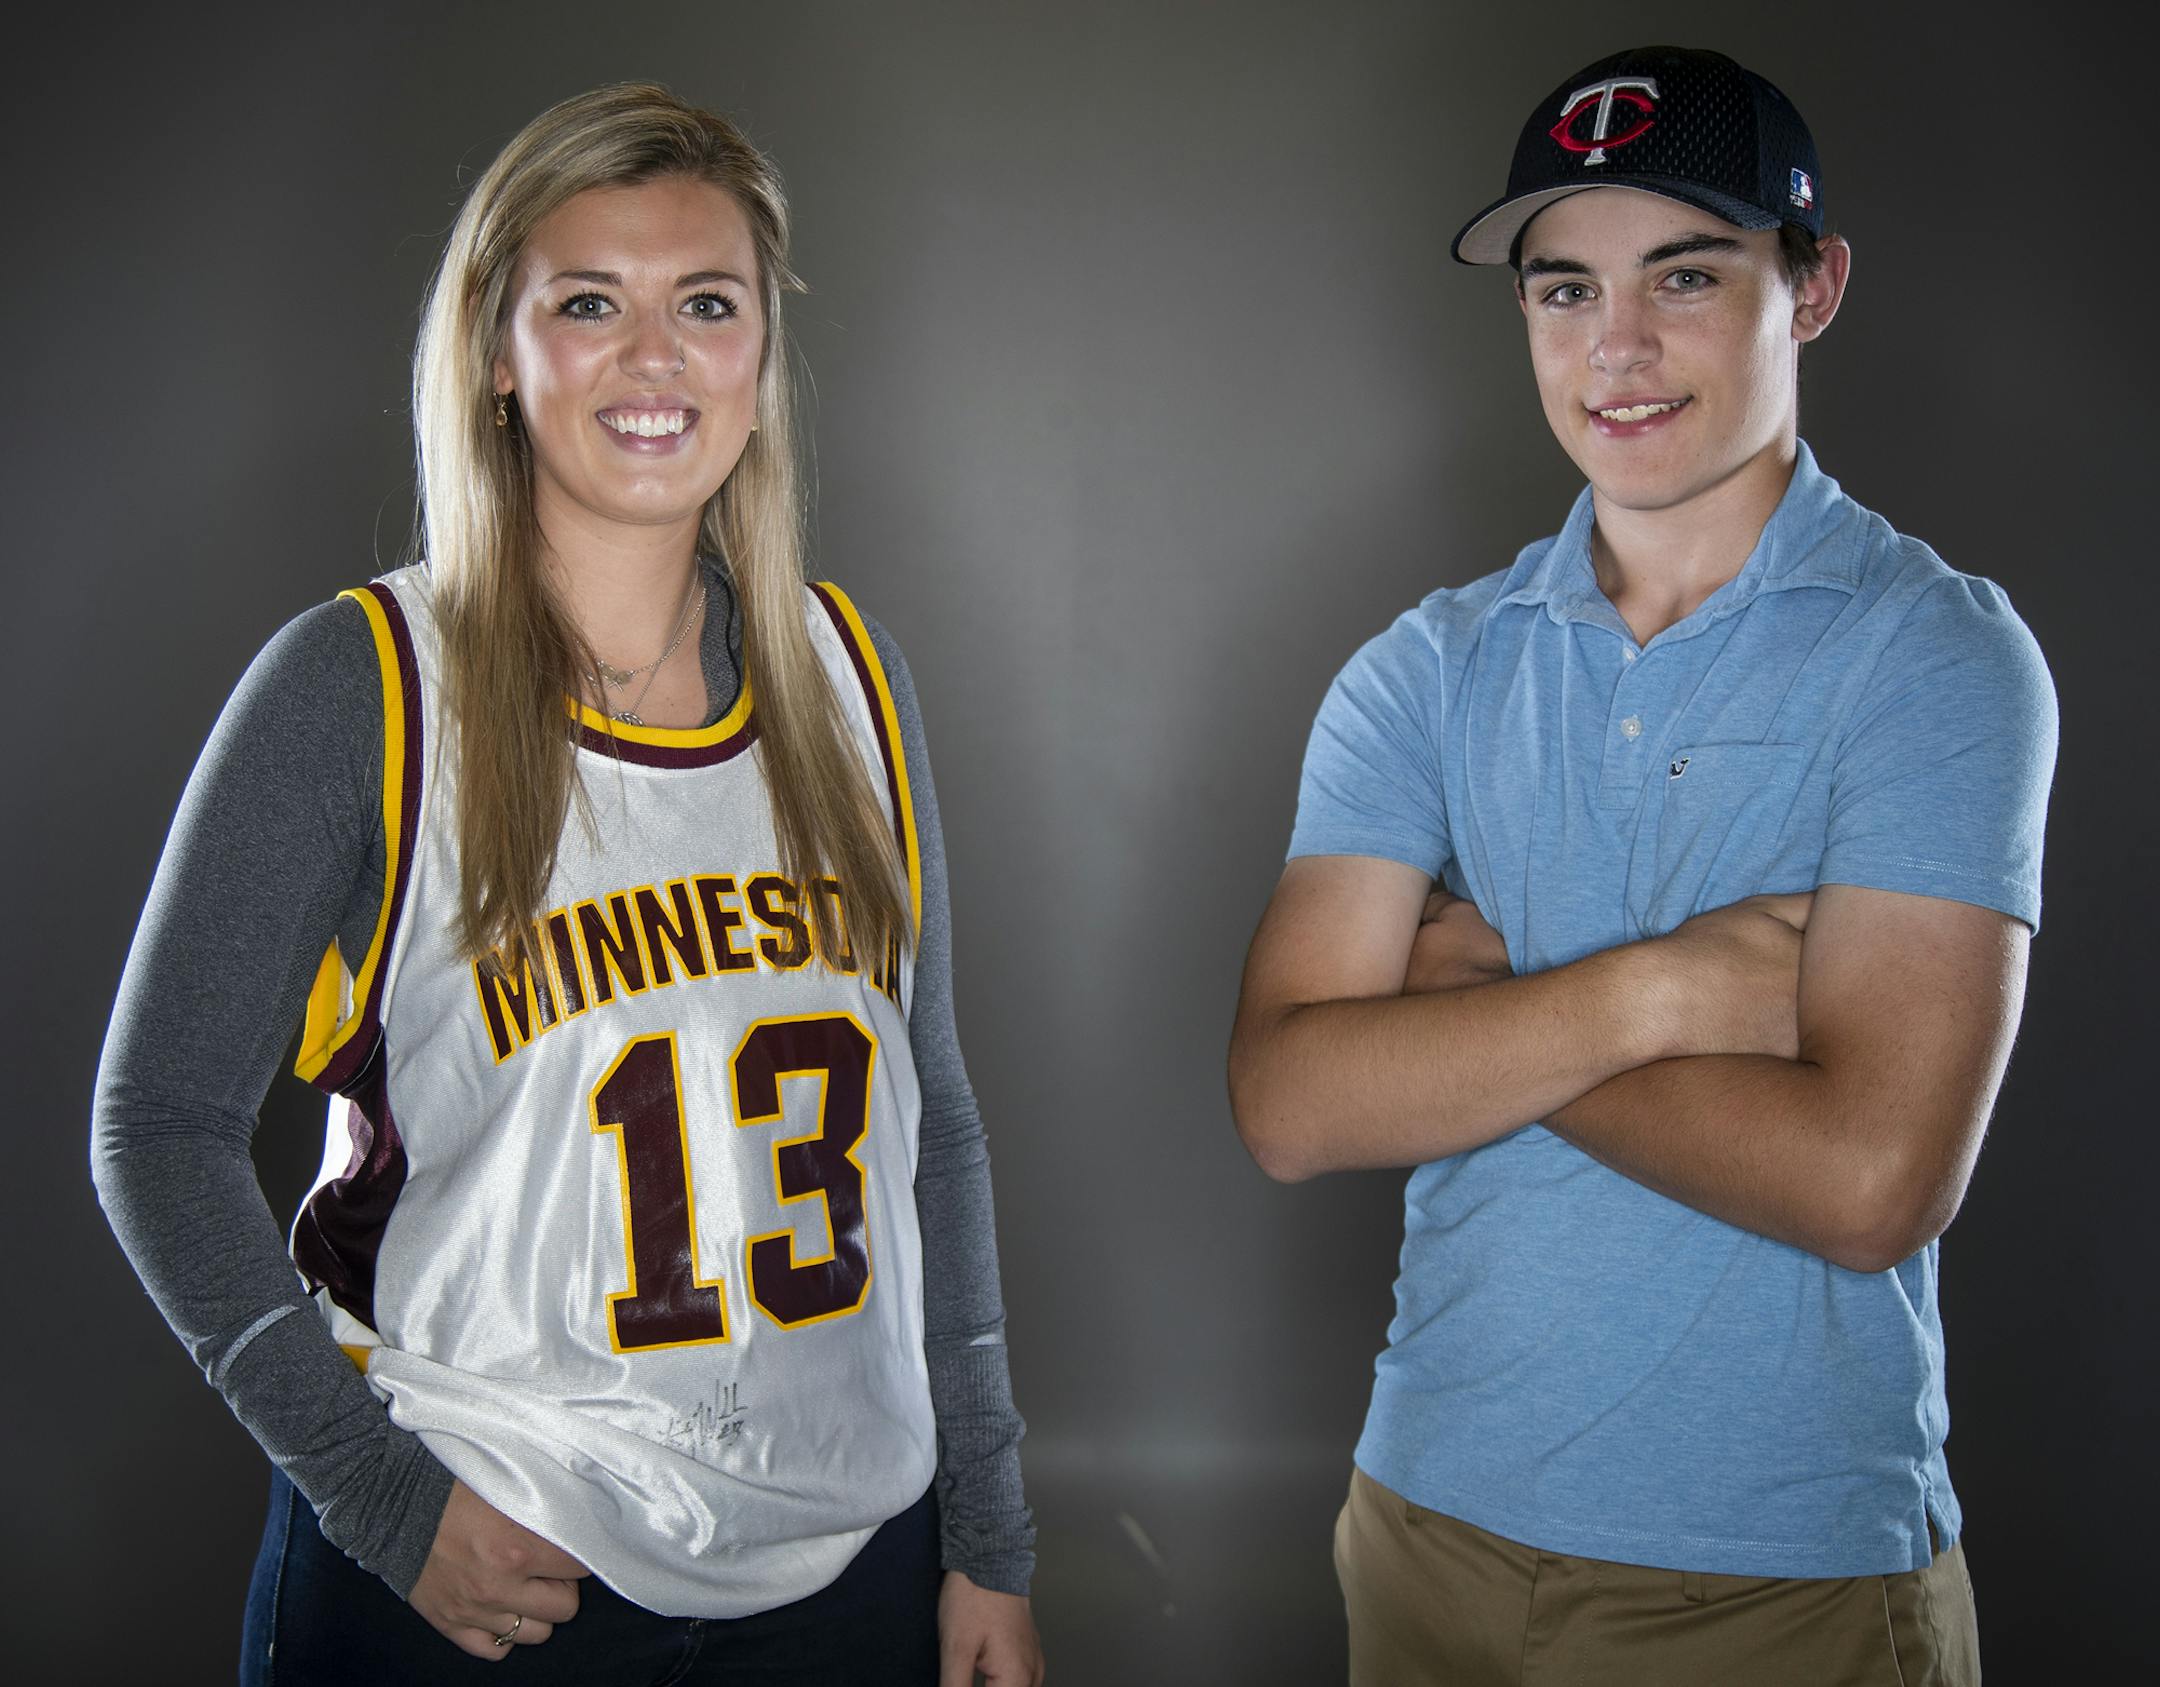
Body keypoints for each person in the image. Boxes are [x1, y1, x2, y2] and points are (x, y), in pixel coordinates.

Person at [93, 83, 1043, 1685]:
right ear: (496, 349)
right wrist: (383, 1500)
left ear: (760, 352)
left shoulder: (847, 677)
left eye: (707, 304)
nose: (656, 356)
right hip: (492, 1568)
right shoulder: (363, 687)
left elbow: (928, 1126)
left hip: (844, 1572)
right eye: (590, 303)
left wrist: (989, 1540)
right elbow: (155, 1131)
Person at [1228, 45, 2052, 1685]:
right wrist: (1665, 991)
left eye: (1685, 275)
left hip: (1778, 1578)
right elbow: (1294, 1106)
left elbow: (1868, 1181)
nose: (1615, 347)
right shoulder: (1428, 668)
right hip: (1424, 1528)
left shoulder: (1935, 657)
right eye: (1562, 289)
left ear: (1809, 288)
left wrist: (1482, 1019)